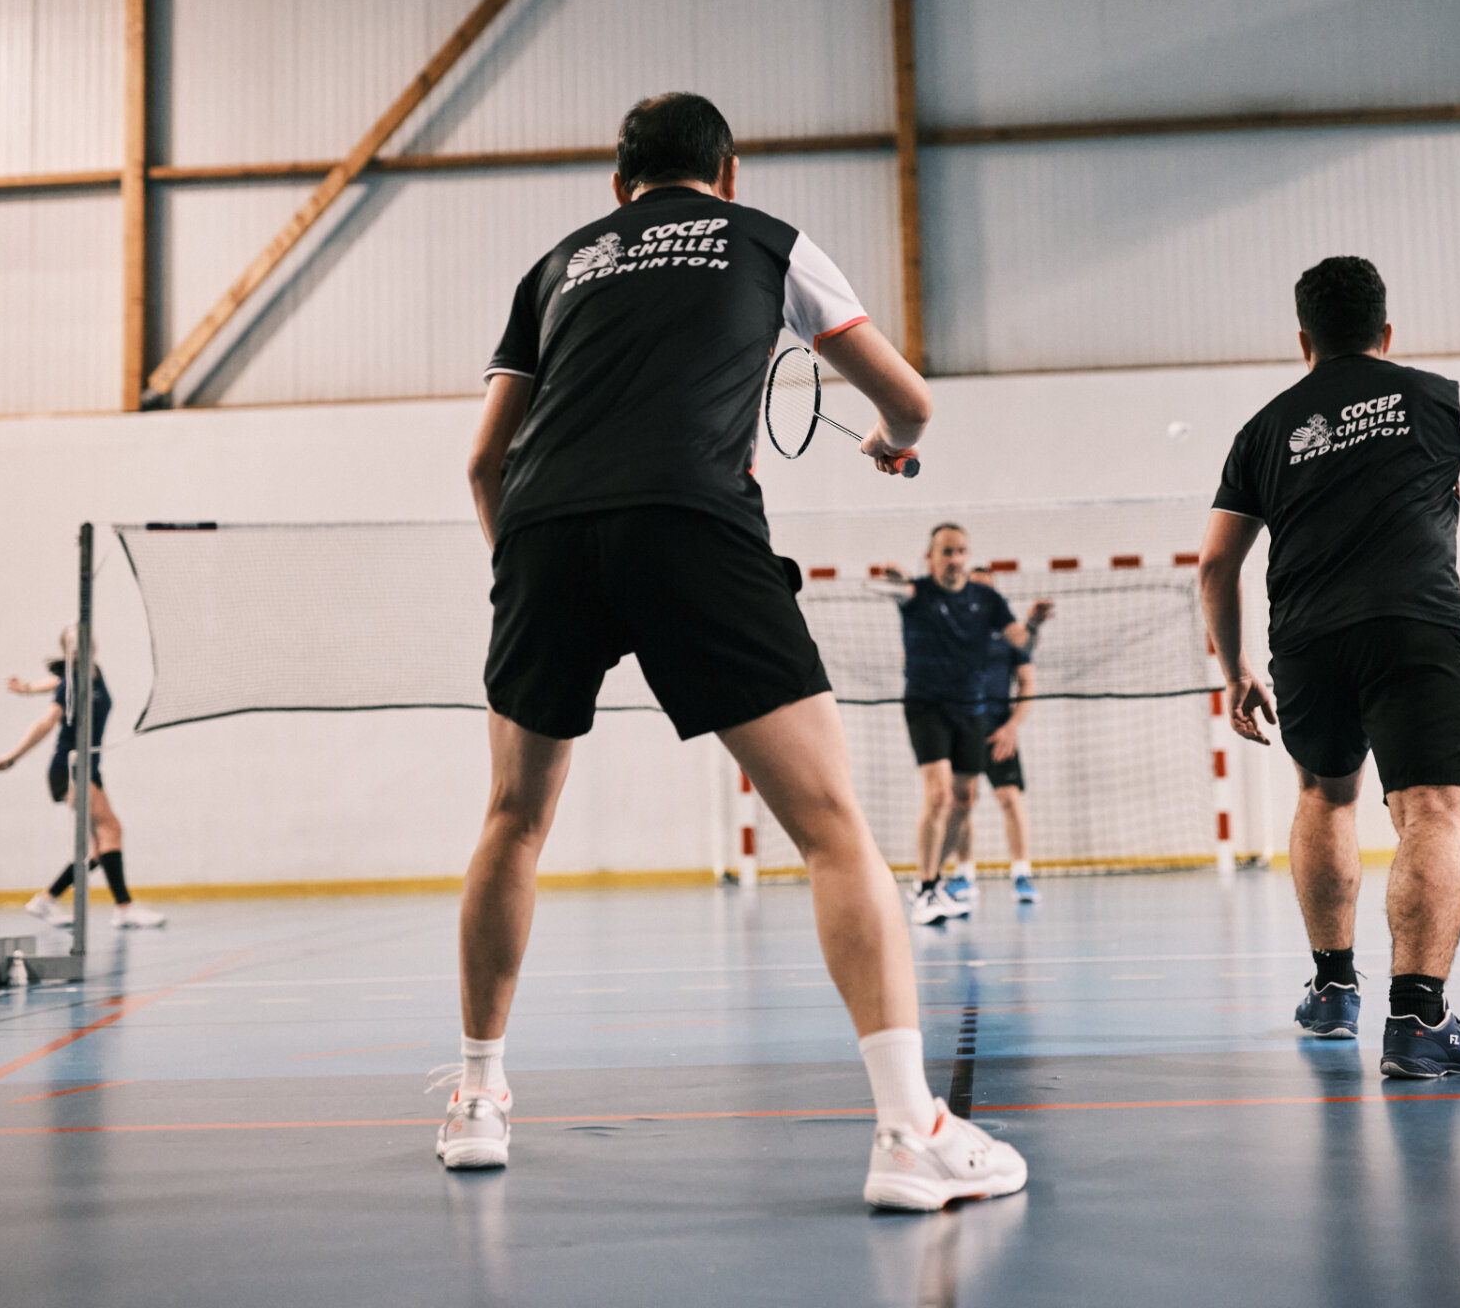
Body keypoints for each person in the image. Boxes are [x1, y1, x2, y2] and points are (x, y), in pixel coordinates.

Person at [441, 92, 1026, 1211]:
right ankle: (909, 1133)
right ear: (730, 173)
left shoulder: (557, 265)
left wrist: (526, 574)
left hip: (544, 535)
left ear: (619, 184)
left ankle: (476, 1100)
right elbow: (910, 400)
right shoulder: (766, 240)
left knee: (512, 821)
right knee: (832, 826)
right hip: (691, 524)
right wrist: (889, 444)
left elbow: (483, 463)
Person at [1198, 256, 1460, 1079]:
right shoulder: (1441, 397)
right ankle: (1416, 1021)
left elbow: (1216, 566)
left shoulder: (1264, 428)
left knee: (1324, 797)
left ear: (1305, 342)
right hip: (1416, 627)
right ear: (1387, 332)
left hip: (1307, 640)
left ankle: (1334, 991)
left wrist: (1235, 671)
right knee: (1432, 810)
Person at [875, 526, 1040, 927]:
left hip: (972, 708)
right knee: (940, 795)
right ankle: (926, 886)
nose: (954, 559)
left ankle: (933, 881)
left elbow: (1021, 642)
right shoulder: (918, 593)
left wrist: (1034, 624)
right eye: (946, 551)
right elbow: (902, 590)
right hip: (927, 706)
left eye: (961, 551)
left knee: (965, 799)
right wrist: (896, 580)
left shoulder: (987, 599)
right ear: (930, 557)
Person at [0, 629, 166, 929]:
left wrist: (28, 688)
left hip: (90, 768)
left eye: (85, 637)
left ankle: (47, 900)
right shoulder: (72, 684)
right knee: (110, 830)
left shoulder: (91, 671)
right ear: (68, 650)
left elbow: (55, 682)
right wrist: (13, 756)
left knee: (98, 849)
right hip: (71, 767)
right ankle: (124, 908)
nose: (83, 644)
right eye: (74, 642)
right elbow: (47, 722)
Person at [937, 569, 1051, 905]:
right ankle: (964, 875)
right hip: (962, 731)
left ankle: (1021, 874)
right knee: (962, 802)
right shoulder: (951, 631)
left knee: (1010, 798)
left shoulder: (1009, 635)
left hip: (998, 731)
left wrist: (1012, 726)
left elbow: (1027, 680)